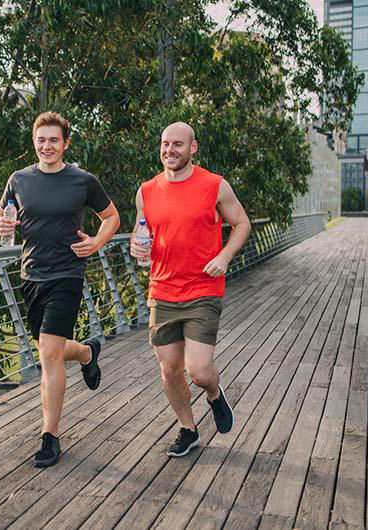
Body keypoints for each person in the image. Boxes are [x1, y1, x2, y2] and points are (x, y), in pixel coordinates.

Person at [0, 112, 120, 467]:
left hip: (67, 274)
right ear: (34, 142)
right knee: (51, 349)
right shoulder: (18, 179)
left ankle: (50, 436)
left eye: (53, 140)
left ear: (65, 143)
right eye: (41, 140)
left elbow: (111, 217)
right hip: (31, 275)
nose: (47, 146)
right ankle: (85, 353)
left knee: (48, 355)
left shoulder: (82, 181)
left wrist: (95, 243)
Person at [130, 122, 251, 457]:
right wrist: (137, 247)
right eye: (165, 144)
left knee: (197, 371)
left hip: (202, 289)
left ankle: (213, 392)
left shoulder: (215, 185)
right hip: (162, 290)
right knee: (169, 369)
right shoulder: (146, 191)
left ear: (192, 148)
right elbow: (141, 234)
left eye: (178, 145)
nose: (170, 150)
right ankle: (188, 429)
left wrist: (225, 255)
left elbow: (242, 223)